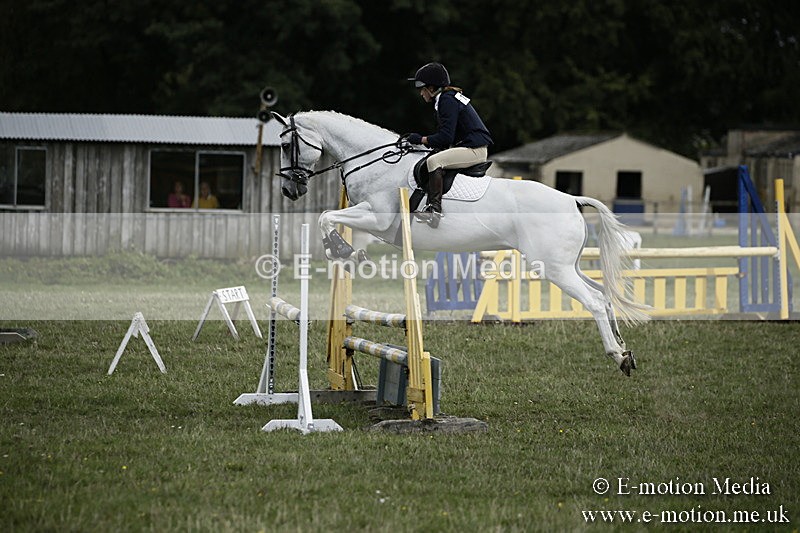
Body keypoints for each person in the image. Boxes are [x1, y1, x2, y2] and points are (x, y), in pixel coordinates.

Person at [406, 62, 492, 227]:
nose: (420, 93)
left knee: (434, 161)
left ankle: (434, 210)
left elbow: (445, 137)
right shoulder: (447, 98)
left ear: (432, 88)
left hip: (474, 150)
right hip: (469, 147)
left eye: (422, 88)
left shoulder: (447, 100)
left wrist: (420, 139)